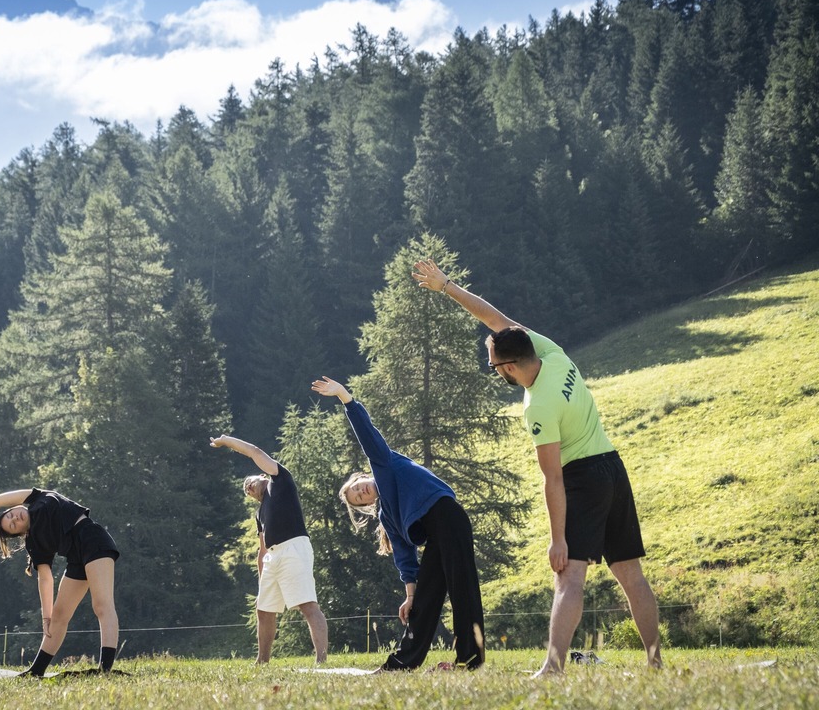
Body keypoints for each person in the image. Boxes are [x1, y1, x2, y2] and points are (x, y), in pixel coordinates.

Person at [412, 258, 662, 675]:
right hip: (613, 468)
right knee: (632, 575)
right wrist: (447, 286)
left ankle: (553, 668)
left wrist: (557, 539)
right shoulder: (551, 352)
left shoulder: (538, 406)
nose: (495, 371)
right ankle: (655, 663)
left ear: (509, 368)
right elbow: (496, 319)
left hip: (583, 479)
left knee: (569, 578)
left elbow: (554, 478)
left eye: (494, 366)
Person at [312, 376, 485, 671]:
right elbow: (405, 558)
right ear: (366, 505)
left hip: (448, 516)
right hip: (436, 535)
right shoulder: (387, 516)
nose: (361, 493)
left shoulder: (384, 463)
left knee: (462, 588)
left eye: (357, 488)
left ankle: (469, 660)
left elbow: (367, 434)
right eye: (358, 499)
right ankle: (401, 664)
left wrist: (345, 397)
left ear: (361, 477)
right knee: (424, 601)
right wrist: (409, 597)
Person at [0, 488, 120, 677]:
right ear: (20, 532)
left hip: (92, 539)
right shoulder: (34, 543)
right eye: (13, 525)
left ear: (15, 507)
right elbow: (45, 578)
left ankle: (105, 670)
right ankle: (36, 672)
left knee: (101, 605)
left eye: (11, 515)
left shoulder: (38, 497)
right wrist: (46, 618)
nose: (15, 519)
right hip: (75, 557)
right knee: (58, 616)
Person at [209, 434, 328, 664]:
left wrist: (226, 441)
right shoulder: (260, 513)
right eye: (247, 490)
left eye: (250, 482)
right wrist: (262, 582)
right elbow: (262, 550)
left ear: (262, 475)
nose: (248, 487)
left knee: (308, 605)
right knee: (263, 609)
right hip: (272, 557)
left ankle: (321, 661)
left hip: (294, 547)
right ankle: (262, 661)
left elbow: (254, 451)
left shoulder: (280, 479)